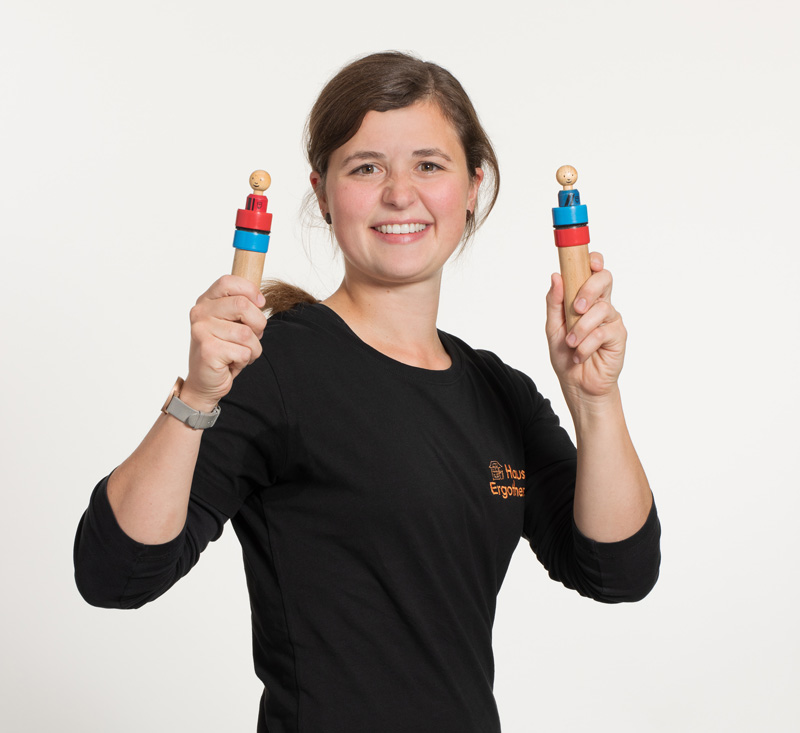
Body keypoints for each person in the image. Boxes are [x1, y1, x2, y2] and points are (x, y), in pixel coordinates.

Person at [74, 51, 660, 732]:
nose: (400, 194)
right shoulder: (271, 366)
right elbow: (116, 571)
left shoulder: (501, 392)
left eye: (429, 165)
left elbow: (619, 570)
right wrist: (198, 396)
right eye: (366, 168)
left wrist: (595, 401)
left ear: (473, 186)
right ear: (323, 193)